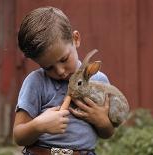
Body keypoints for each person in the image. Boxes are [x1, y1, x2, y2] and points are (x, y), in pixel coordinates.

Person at [13, 6, 115, 155]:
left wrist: (102, 121)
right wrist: (38, 126)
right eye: (48, 67)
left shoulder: (98, 80)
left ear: (76, 39)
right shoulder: (36, 82)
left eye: (64, 59)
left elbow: (108, 133)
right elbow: (18, 136)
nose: (60, 71)